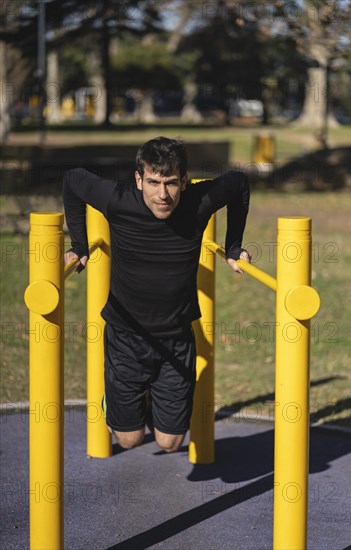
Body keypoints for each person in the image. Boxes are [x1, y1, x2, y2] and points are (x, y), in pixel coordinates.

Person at [63, 136, 250, 453]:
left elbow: (239, 183)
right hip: (126, 338)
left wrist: (233, 246)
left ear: (185, 181)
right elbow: (72, 181)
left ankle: (150, 399)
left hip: (176, 339)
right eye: (153, 182)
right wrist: (79, 245)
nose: (163, 194)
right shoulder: (118, 199)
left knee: (170, 442)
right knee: (129, 439)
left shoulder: (198, 201)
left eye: (172, 183)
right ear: (139, 179)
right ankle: (121, 401)